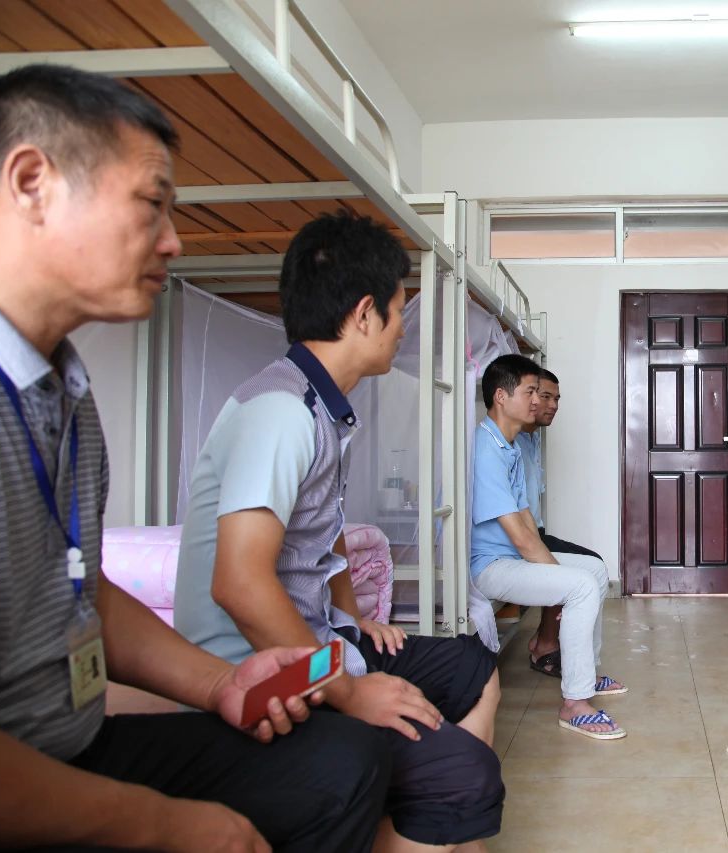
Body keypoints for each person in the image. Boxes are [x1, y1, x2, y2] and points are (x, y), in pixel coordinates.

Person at [0, 64, 391, 852]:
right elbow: (240, 579)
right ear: (32, 182)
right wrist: (162, 823)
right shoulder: (282, 410)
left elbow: (84, 595)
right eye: (152, 205)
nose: (173, 239)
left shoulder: (65, 393)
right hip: (12, 771)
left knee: (342, 761)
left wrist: (221, 684)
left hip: (74, 739)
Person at [174, 211, 505, 851]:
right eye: (400, 311)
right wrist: (350, 693)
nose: (403, 328)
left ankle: (421, 806)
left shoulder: (324, 408)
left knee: (471, 666)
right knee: (462, 775)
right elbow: (239, 584)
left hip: (320, 641)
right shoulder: (281, 412)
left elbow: (322, 536)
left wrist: (354, 620)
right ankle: (427, 796)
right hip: (258, 669)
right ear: (364, 314)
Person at [471, 354, 628, 739]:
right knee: (579, 585)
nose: (537, 401)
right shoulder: (485, 449)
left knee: (593, 570)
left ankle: (585, 673)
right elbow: (522, 539)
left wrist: (557, 579)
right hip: (489, 566)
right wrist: (559, 585)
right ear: (501, 397)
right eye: (530, 392)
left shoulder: (507, 447)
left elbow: (527, 520)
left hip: (510, 557)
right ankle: (575, 703)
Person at [513, 367, 606, 677]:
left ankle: (547, 640)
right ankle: (547, 646)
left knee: (590, 563)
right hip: (519, 535)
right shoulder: (509, 443)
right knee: (581, 568)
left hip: (534, 530)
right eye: (544, 396)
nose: (552, 405)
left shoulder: (532, 438)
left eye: (557, 399)